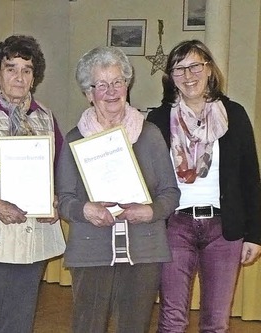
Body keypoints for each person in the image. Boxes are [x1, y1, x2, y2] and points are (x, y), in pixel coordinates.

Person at [56, 46, 180, 333]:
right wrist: (85, 210)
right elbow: (64, 199)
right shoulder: (75, 139)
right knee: (88, 327)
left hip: (144, 249)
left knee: (134, 328)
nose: (111, 91)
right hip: (91, 249)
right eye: (102, 85)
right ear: (89, 93)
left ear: (127, 85)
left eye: (118, 82)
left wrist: (150, 211)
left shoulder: (150, 135)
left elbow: (170, 193)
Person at [147, 40, 261, 333]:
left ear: (209, 69)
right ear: (170, 77)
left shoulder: (234, 115)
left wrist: (255, 235)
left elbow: (251, 178)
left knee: (216, 322)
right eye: (180, 69)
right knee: (172, 319)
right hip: (175, 225)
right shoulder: (158, 120)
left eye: (195, 66)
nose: (189, 75)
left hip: (224, 229)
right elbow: (147, 178)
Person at [0, 35, 65, 333]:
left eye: (27, 69)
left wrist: (56, 201)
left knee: (20, 318)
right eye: (11, 68)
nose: (19, 77)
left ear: (35, 77)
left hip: (32, 233)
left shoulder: (45, 117)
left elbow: (59, 169)